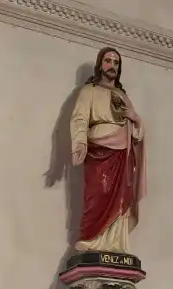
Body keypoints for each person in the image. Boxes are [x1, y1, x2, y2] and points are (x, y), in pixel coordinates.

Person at [70, 47, 146, 254]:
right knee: (99, 193)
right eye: (108, 61)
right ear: (100, 64)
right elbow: (80, 118)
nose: (112, 66)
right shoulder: (90, 91)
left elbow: (137, 134)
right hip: (99, 151)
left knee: (120, 197)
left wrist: (137, 120)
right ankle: (93, 240)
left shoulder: (123, 96)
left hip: (123, 153)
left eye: (116, 63)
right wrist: (79, 143)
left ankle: (115, 245)